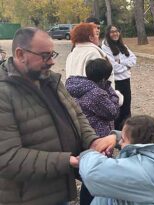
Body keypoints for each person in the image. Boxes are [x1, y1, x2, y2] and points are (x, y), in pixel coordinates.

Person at [0, 27, 116, 205]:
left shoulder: (51, 80)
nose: (52, 62)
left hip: (57, 191)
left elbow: (76, 115)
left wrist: (92, 141)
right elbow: (7, 157)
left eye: (52, 54)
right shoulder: (4, 93)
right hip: (27, 197)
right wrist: (66, 161)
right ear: (20, 54)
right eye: (45, 56)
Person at [79, 115, 154, 205]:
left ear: (135, 146)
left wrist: (87, 155)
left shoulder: (148, 171)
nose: (119, 143)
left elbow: (92, 173)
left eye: (123, 140)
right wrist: (116, 137)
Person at [66, 58, 120, 205]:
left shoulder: (80, 86)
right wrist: (113, 94)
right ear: (104, 77)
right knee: (96, 177)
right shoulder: (97, 94)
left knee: (90, 176)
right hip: (98, 138)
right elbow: (113, 111)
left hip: (85, 135)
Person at [66, 23, 123, 105]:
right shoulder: (93, 53)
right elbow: (100, 80)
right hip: (95, 102)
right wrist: (112, 98)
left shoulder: (71, 54)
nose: (98, 37)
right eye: (96, 34)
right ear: (90, 38)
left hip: (77, 100)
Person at [102, 25, 137, 130]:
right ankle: (117, 132)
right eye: (112, 32)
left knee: (127, 107)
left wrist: (121, 62)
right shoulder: (105, 47)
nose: (115, 33)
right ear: (108, 34)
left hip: (126, 80)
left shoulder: (122, 45)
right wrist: (127, 67)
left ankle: (128, 131)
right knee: (117, 108)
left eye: (117, 31)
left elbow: (134, 59)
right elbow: (113, 68)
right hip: (115, 82)